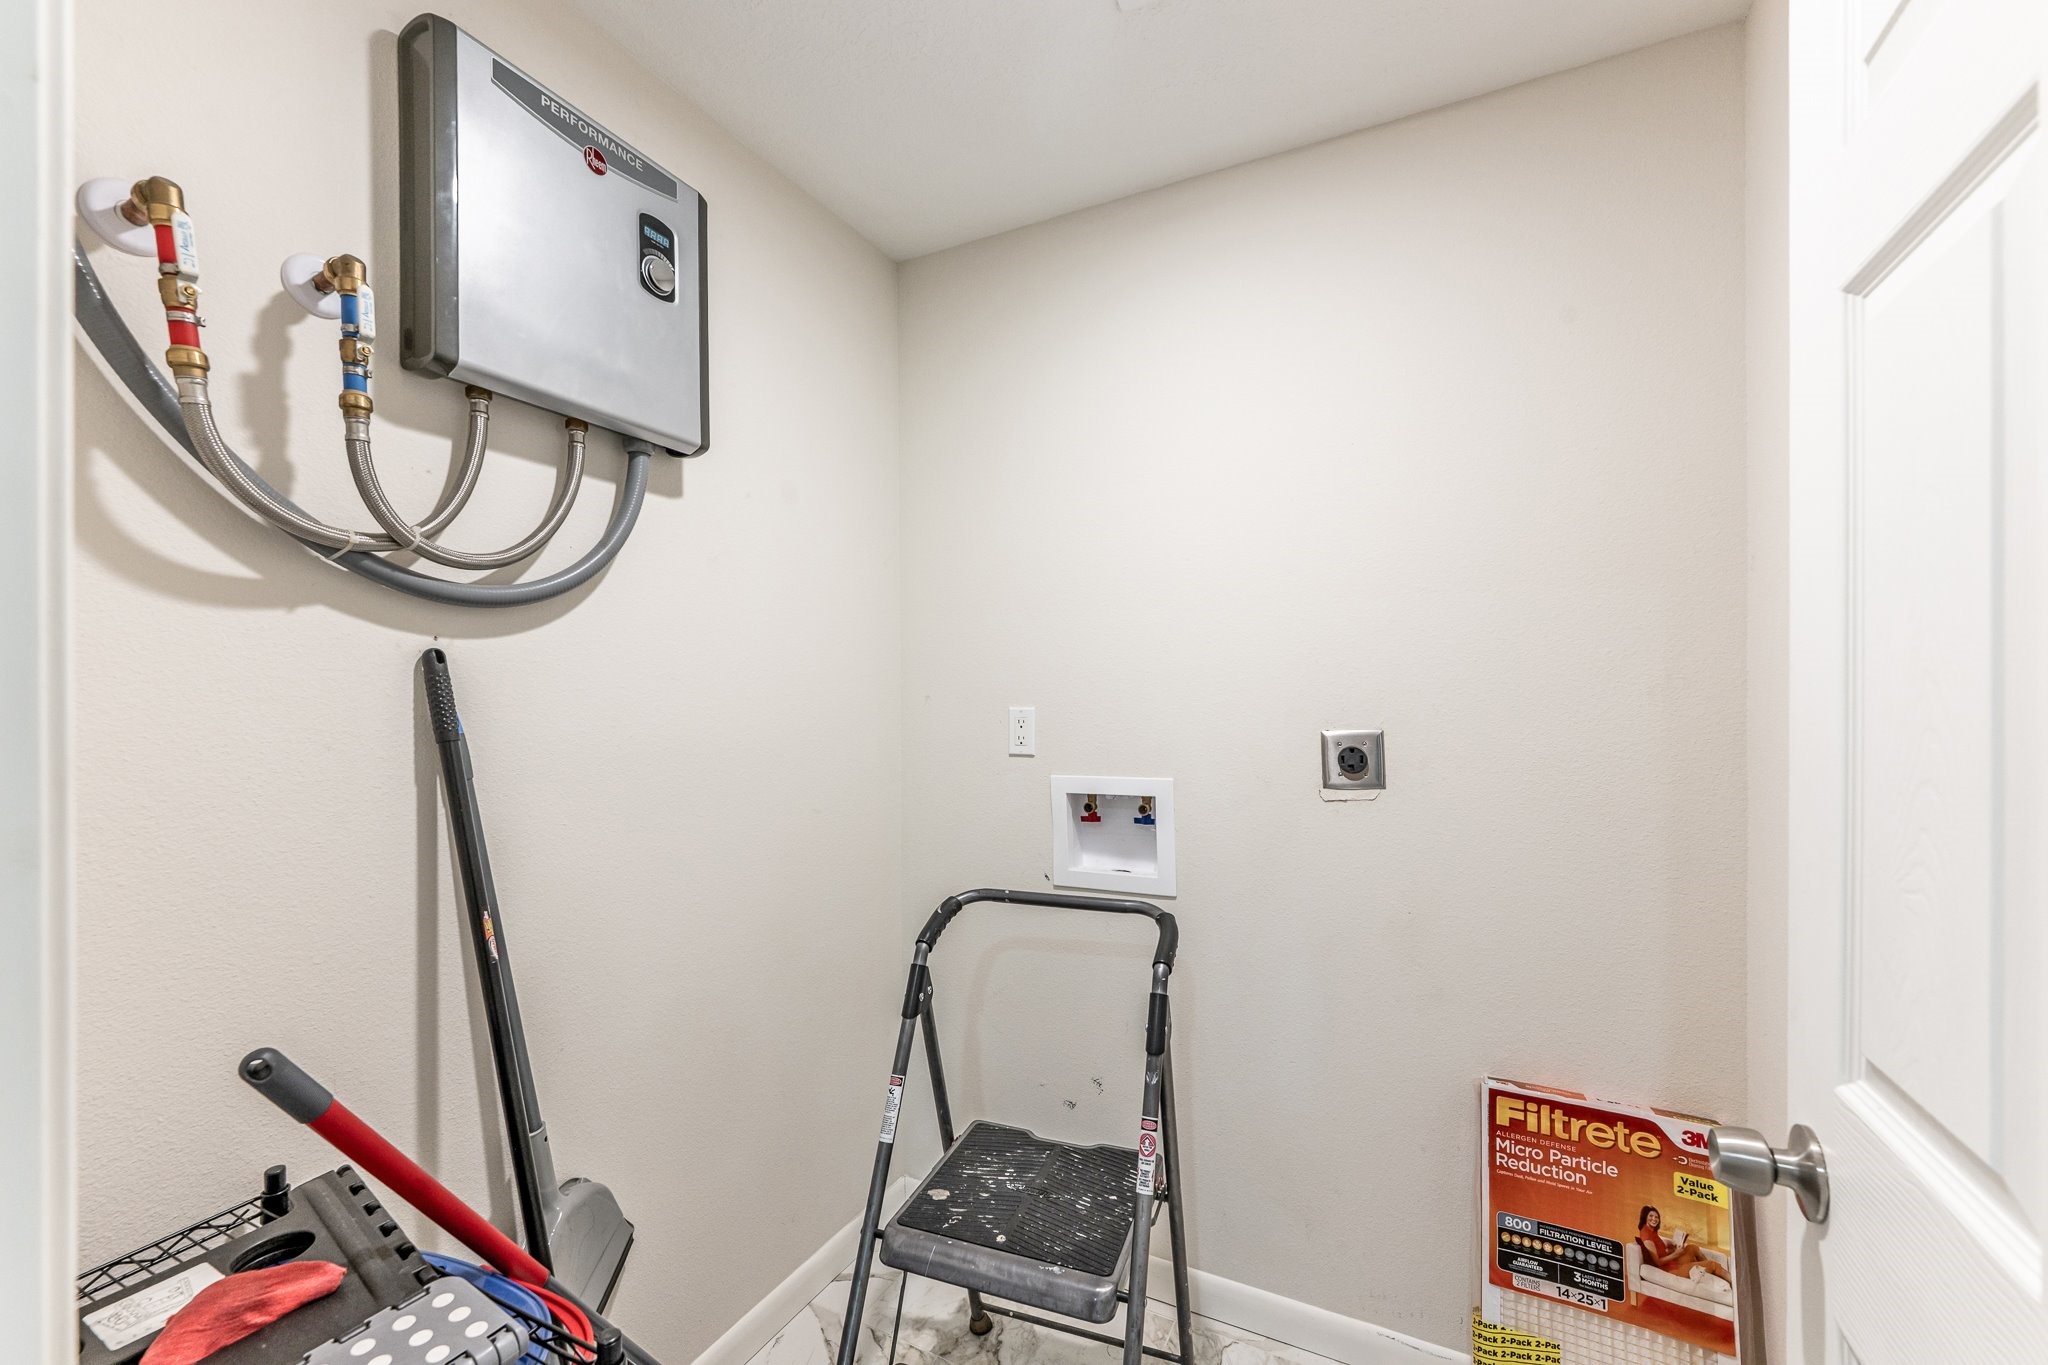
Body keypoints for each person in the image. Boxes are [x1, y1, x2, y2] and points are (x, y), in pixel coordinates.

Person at [1636, 1206, 1730, 1284]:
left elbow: (1659, 1247)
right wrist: (1675, 1254)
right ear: (1645, 1217)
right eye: (1651, 1216)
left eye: (1656, 1217)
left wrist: (1672, 1244)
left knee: (1692, 1248)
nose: (1654, 1219)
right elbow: (1658, 1262)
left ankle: (1709, 1272)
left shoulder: (1651, 1230)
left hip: (1672, 1262)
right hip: (1671, 1270)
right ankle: (1731, 1281)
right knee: (1713, 1264)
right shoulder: (1646, 1235)